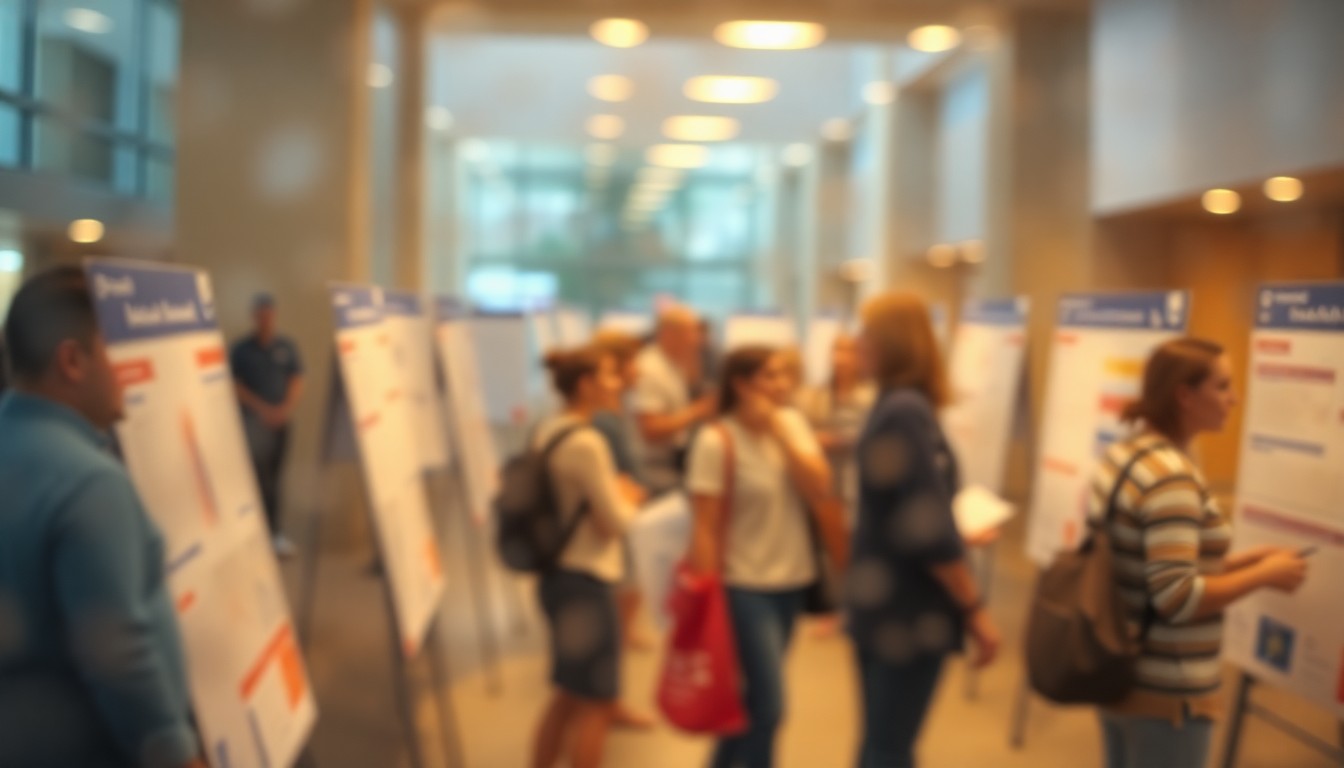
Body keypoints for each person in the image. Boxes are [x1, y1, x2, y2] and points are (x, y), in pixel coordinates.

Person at [0, 266, 204, 768]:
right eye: (114, 346)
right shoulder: (90, 483)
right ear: (72, 360)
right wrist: (173, 750)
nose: (129, 365)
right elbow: (119, 652)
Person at [1092, 338, 1309, 768]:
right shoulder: (1172, 477)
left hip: (1118, 676)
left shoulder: (1126, 455)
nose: (1235, 398)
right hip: (1167, 695)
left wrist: (1243, 561)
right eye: (1223, 385)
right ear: (1185, 396)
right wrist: (1264, 577)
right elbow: (1176, 596)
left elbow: (1146, 563)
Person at [846, 291, 1001, 768]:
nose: (856, 345)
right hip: (909, 609)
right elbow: (927, 530)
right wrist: (975, 610)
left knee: (881, 742)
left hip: (883, 599)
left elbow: (909, 509)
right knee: (890, 748)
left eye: (867, 335)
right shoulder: (905, 410)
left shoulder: (893, 407)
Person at [686, 345, 848, 768]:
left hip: (793, 581)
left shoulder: (790, 423)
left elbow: (819, 485)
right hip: (743, 585)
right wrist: (705, 595)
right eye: (770, 377)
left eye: (785, 376)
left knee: (753, 702)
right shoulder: (715, 439)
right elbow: (703, 524)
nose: (783, 385)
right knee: (771, 707)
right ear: (740, 385)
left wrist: (778, 430)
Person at [531, 347, 646, 768]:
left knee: (567, 695)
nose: (619, 384)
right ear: (586, 385)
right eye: (610, 375)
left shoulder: (548, 429)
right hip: (587, 579)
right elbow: (615, 521)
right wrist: (629, 497)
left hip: (557, 576)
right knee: (597, 703)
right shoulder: (588, 441)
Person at [589, 329, 656, 728]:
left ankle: (610, 700)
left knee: (622, 612)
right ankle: (607, 703)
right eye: (632, 362)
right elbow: (603, 479)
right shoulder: (601, 418)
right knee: (610, 623)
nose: (639, 370)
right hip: (614, 523)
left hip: (627, 517)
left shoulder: (617, 409)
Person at [231, 292, 304, 557]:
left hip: (281, 422)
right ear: (254, 316)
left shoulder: (285, 346)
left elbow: (296, 379)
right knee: (256, 480)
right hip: (253, 425)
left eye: (269, 314)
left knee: (276, 480)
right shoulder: (241, 350)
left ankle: (275, 534)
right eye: (260, 315)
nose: (265, 319)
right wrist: (261, 410)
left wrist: (284, 408)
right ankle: (255, 535)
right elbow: (235, 386)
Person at [633, 304, 716, 495]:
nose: (699, 340)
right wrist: (699, 410)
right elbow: (651, 430)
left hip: (670, 460)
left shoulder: (670, 363)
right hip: (655, 466)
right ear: (668, 333)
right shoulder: (651, 369)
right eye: (692, 332)